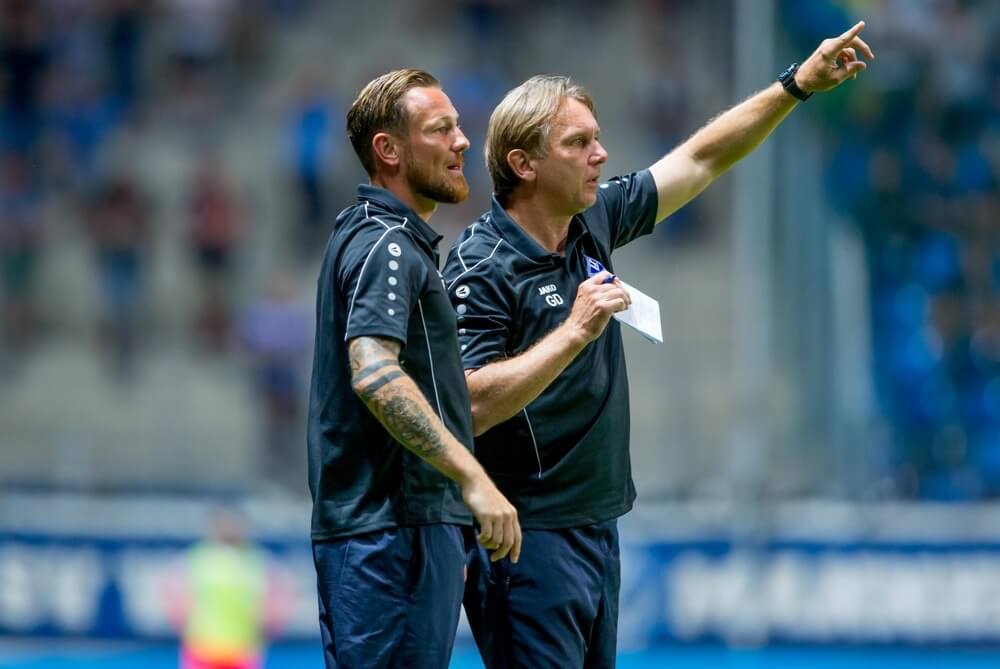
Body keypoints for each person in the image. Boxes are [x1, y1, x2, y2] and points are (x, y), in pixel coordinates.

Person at [443, 22, 874, 668]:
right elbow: (468, 406)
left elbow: (699, 159)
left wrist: (795, 86)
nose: (601, 154)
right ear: (523, 163)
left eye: (598, 138)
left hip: (597, 527)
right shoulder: (480, 268)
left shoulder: (590, 219)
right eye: (579, 142)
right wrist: (574, 332)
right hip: (525, 540)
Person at [306, 68, 521, 669]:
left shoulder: (379, 238)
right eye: (441, 129)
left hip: (394, 532)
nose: (461, 142)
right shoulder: (387, 246)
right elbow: (374, 373)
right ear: (389, 150)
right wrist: (472, 476)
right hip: (390, 535)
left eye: (458, 126)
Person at [164, 508, 293, 669]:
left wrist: (272, 620)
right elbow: (173, 593)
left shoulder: (255, 559)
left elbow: (279, 594)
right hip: (204, 647)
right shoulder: (197, 557)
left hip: (240, 647)